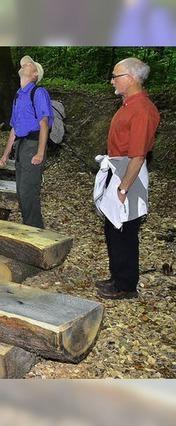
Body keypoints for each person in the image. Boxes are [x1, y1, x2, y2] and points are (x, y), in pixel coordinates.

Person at [95, 57, 159, 300]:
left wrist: (123, 188)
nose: (112, 80)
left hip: (128, 174)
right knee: (113, 226)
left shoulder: (141, 109)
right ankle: (117, 277)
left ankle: (126, 285)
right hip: (118, 170)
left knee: (125, 229)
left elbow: (138, 156)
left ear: (130, 79)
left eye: (116, 76)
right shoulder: (128, 104)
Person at [0, 55, 53, 229]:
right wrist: (6, 154)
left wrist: (40, 152)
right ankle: (30, 226)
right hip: (21, 146)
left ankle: (35, 231)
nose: (26, 65)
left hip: (33, 145)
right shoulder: (18, 95)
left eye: (30, 65)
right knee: (21, 192)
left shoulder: (38, 92)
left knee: (28, 191)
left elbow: (44, 124)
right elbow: (14, 129)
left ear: (35, 75)